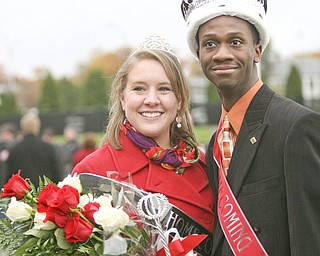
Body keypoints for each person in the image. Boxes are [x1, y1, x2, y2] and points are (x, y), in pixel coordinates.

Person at [180, 0, 320, 255]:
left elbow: (311, 237)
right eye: (210, 44)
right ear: (199, 54)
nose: (222, 53)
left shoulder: (296, 127)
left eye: (235, 42)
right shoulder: (214, 144)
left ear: (257, 51)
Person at [72, 36, 214, 233]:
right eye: (139, 88)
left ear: (179, 100)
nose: (151, 99)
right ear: (122, 98)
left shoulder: (207, 167)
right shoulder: (93, 171)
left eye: (164, 89)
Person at [6, 113, 61, 186]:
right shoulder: (48, 148)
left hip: (22, 194)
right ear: (37, 127)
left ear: (22, 128)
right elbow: (56, 173)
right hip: (44, 193)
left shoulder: (14, 149)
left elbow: (8, 175)